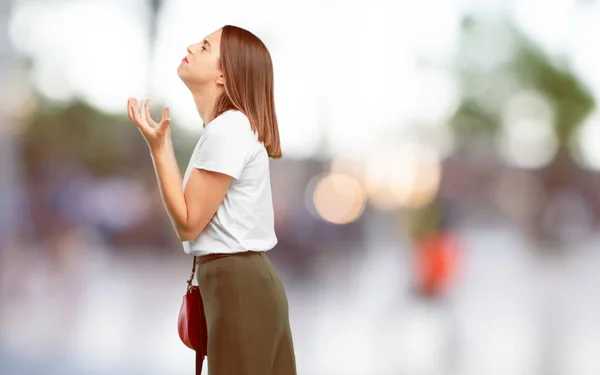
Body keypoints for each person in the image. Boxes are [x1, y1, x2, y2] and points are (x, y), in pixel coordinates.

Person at [126, 25, 296, 375]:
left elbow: (188, 223)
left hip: (238, 284)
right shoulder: (229, 127)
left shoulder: (228, 128)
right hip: (242, 282)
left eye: (204, 47)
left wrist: (160, 148)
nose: (191, 46)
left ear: (224, 73)